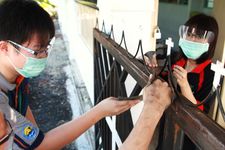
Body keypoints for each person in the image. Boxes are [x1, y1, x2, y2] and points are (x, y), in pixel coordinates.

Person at [0, 0, 172, 149]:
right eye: (37, 52)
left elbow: (35, 135)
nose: (44, 56)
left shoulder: (18, 78)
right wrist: (152, 106)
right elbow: (42, 146)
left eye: (46, 49)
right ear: (5, 47)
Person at [145, 13, 219, 113]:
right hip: (162, 115)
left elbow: (200, 112)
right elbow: (151, 56)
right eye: (189, 34)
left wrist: (184, 85)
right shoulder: (176, 58)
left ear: (210, 42)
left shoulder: (211, 73)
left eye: (199, 36)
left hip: (183, 124)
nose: (192, 40)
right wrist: (150, 58)